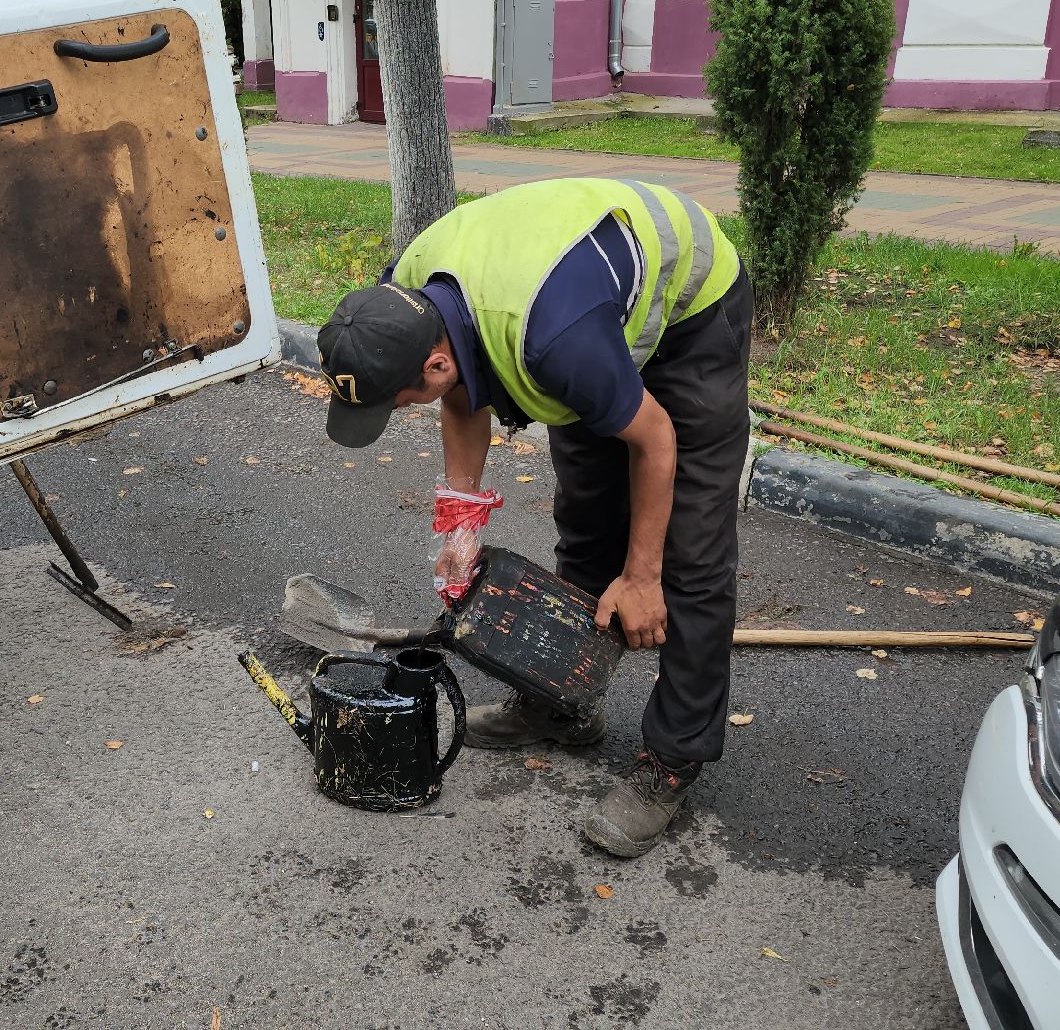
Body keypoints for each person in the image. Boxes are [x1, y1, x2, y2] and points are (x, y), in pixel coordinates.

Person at [316, 177, 752, 858]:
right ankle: (564, 703)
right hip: (582, 309)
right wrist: (461, 528)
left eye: (395, 404)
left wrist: (641, 578)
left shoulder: (554, 342)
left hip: (691, 311)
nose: (397, 412)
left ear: (429, 362)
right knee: (586, 521)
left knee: (685, 554)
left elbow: (656, 439)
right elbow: (459, 394)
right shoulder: (402, 295)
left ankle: (673, 759)